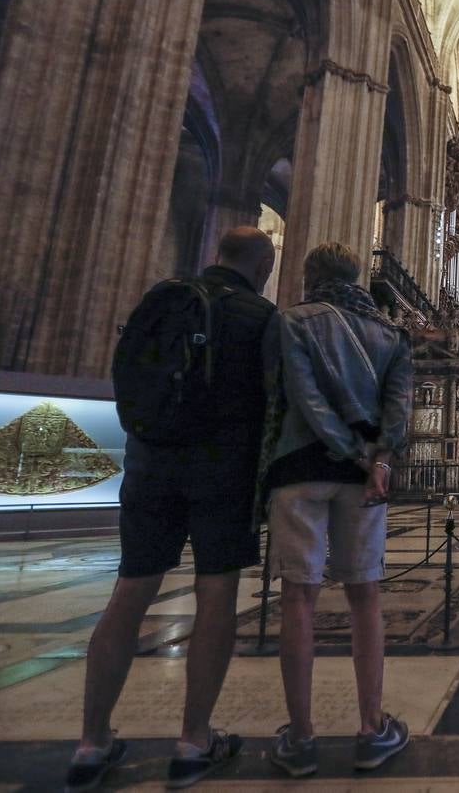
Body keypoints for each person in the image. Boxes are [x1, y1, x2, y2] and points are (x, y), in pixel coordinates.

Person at [66, 227, 276, 792]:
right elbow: (275, 403)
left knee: (130, 591)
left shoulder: (163, 299)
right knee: (215, 597)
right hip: (223, 473)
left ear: (216, 257)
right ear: (265, 265)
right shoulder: (261, 317)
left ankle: (90, 743)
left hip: (151, 466)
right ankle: (193, 739)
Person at [261, 242, 413, 777]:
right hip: (364, 475)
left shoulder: (293, 321)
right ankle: (371, 729)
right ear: (360, 276)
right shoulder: (390, 332)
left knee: (298, 598)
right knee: (364, 594)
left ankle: (301, 738)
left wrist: (341, 447)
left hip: (300, 469)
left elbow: (302, 397)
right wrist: (378, 457)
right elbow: (398, 409)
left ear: (308, 274)